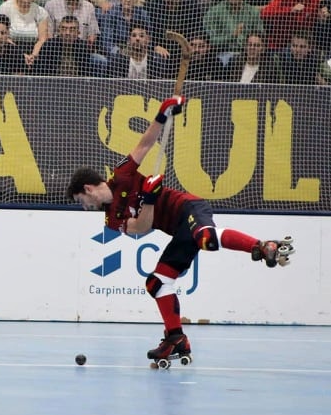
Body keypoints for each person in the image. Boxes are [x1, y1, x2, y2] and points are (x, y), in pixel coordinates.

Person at [65, 95, 294, 362]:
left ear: (88, 188)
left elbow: (145, 143)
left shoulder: (122, 175)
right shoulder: (111, 219)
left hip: (188, 209)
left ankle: (262, 246)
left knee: (206, 238)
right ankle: (176, 338)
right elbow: (141, 228)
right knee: (156, 282)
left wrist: (162, 115)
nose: (85, 207)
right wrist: (149, 199)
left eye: (81, 200)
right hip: (178, 231)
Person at [202, 0, 264, 67]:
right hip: (220, 57)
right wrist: (233, 36)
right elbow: (211, 41)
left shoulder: (253, 12)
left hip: (246, 56)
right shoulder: (213, 12)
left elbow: (260, 37)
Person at [0, 0, 48, 71]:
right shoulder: (5, 8)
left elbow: (42, 39)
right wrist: (20, 55)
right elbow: (0, 35)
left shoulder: (41, 12)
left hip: (33, 55)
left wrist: (33, 55)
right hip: (10, 53)